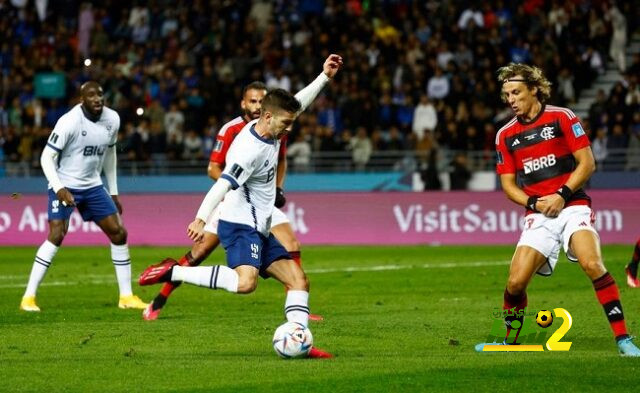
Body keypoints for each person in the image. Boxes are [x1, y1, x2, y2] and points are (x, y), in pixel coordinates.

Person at [142, 55, 343, 321]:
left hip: (260, 225)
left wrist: (325, 76)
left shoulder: (272, 127)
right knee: (246, 283)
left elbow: (299, 103)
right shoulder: (248, 151)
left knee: (298, 281)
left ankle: (298, 338)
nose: (289, 129)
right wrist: (200, 219)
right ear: (268, 117)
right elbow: (222, 182)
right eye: (286, 123)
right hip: (239, 224)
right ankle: (174, 272)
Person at [475, 63, 640, 356]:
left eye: (516, 92)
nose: (511, 100)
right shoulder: (505, 135)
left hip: (572, 206)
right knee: (515, 283)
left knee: (592, 264)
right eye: (506, 95)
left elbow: (587, 163)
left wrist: (561, 195)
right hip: (538, 214)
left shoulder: (561, 117)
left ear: (534, 89)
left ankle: (623, 339)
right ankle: (509, 340)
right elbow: (509, 185)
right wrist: (533, 203)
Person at [20, 82, 148, 312]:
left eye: (100, 94)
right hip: (64, 184)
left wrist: (114, 191)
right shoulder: (69, 121)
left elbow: (110, 155)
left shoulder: (113, 119)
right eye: (91, 95)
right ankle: (28, 297)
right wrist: (59, 188)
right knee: (57, 233)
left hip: (93, 186)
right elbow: (46, 158)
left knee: (119, 232)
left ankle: (126, 297)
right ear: (82, 99)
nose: (97, 99)